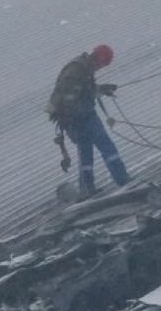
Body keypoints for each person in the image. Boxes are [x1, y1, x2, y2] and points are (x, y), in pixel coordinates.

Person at [46, 44, 130, 198]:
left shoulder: (83, 68)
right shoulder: (76, 71)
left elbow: (84, 90)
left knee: (86, 154)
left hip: (78, 118)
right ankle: (123, 181)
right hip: (80, 118)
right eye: (102, 64)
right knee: (107, 147)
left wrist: (102, 89)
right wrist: (74, 118)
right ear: (98, 58)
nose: (101, 67)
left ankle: (86, 189)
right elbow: (69, 97)